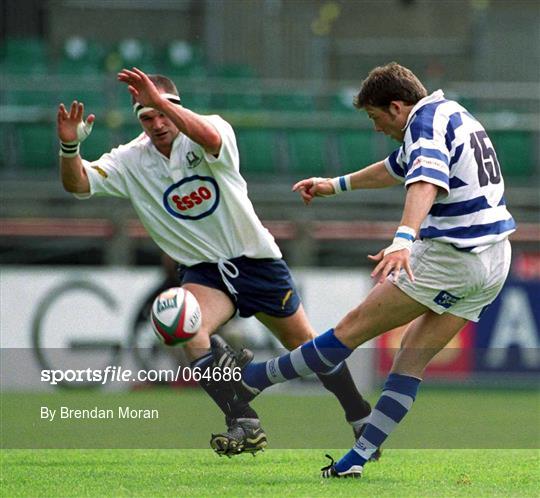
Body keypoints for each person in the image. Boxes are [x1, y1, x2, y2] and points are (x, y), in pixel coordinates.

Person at [56, 67, 377, 457]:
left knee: (308, 348)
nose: (157, 123)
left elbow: (208, 138)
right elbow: (78, 185)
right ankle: (243, 420)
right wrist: (69, 147)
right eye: (146, 116)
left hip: (256, 262)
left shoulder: (211, 128)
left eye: (162, 112)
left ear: (176, 105)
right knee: (184, 329)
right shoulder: (131, 160)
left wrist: (158, 102)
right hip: (204, 272)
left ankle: (359, 414)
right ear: (137, 119)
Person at [220, 62, 516, 477]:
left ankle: (251, 379)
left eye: (376, 118)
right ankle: (355, 460)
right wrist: (335, 184)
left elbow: (424, 181)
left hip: (454, 253)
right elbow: (398, 168)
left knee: (351, 329)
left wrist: (403, 240)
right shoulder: (451, 114)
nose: (376, 128)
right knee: (410, 358)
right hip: (495, 258)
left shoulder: (425, 123)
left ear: (397, 107)